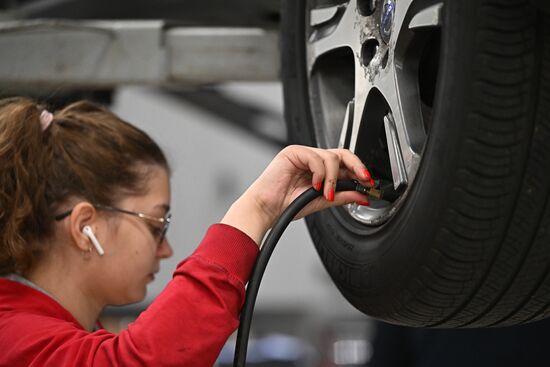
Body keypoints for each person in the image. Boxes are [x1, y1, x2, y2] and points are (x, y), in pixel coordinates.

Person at [0, 97, 374, 366]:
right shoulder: (11, 336)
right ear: (86, 227)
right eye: (157, 225)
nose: (165, 250)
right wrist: (255, 211)